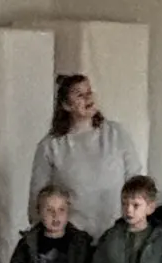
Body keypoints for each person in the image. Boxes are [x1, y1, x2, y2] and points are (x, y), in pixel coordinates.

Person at [29, 74, 146, 239]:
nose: (88, 97)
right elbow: (38, 196)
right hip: (72, 241)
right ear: (66, 105)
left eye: (89, 91)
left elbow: (136, 182)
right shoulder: (50, 146)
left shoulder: (116, 134)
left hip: (116, 236)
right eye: (79, 95)